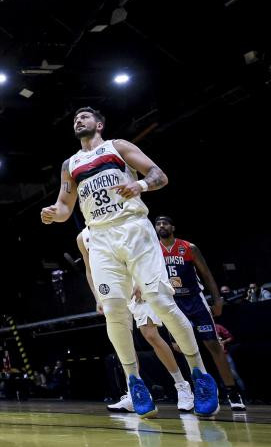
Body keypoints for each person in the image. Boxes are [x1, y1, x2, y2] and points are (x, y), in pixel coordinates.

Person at [41, 107, 218, 417]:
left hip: (133, 229)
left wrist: (141, 186)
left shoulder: (118, 147)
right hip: (100, 237)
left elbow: (158, 175)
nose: (78, 121)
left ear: (99, 124)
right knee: (113, 311)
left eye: (84, 117)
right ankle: (134, 382)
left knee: (162, 302)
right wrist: (54, 213)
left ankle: (199, 373)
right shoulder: (70, 165)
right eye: (74, 119)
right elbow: (65, 206)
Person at [77, 228, 195, 413]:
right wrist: (98, 297)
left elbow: (144, 251)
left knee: (150, 334)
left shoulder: (120, 220)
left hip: (137, 281)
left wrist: (142, 280)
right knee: (123, 341)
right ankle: (136, 393)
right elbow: (89, 269)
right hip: (114, 287)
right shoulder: (82, 237)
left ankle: (182, 386)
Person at [154, 216, 247, 410]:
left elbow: (206, 274)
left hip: (195, 300)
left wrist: (217, 299)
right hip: (173, 303)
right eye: (158, 223)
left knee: (213, 344)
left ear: (173, 227)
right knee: (182, 348)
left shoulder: (188, 247)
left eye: (165, 223)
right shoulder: (153, 250)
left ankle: (233, 392)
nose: (161, 225)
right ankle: (199, 392)